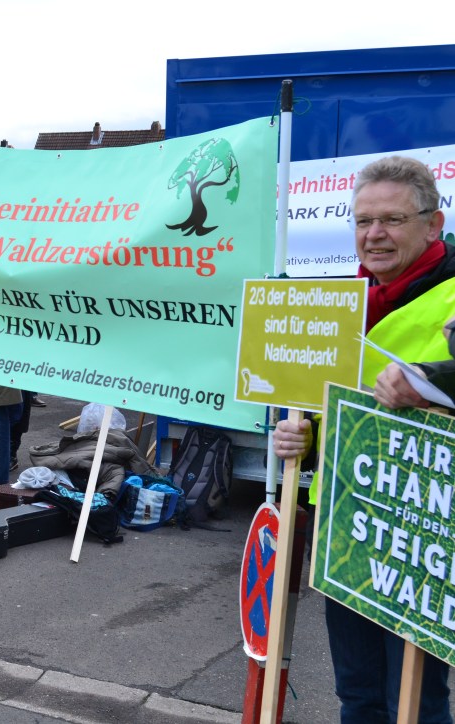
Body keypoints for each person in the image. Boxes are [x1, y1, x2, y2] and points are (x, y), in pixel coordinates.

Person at [274, 155, 453, 724]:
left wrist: (432, 381)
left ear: (433, 225)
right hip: (347, 525)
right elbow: (326, 405)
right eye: (363, 221)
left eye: (392, 220)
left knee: (416, 703)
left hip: (421, 536)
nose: (374, 234)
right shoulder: (342, 303)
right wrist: (301, 438)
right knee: (357, 695)